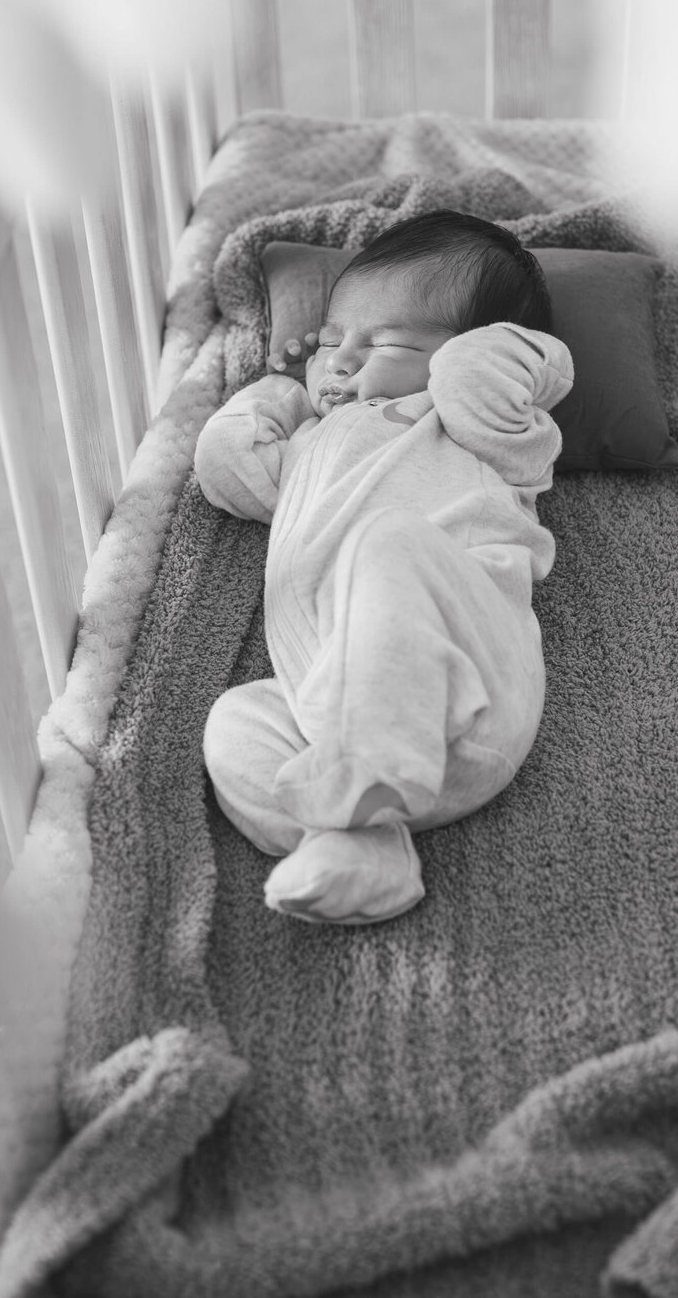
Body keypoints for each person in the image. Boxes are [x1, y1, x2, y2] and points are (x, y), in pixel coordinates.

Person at [196, 211, 573, 925]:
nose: (341, 358)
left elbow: (527, 363)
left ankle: (371, 772)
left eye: (389, 339)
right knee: (235, 721)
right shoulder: (306, 444)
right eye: (332, 339)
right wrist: (290, 388)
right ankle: (358, 846)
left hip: (473, 687)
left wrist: (465, 356)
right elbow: (224, 461)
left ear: (464, 353)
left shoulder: (478, 426)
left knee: (388, 542)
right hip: (334, 715)